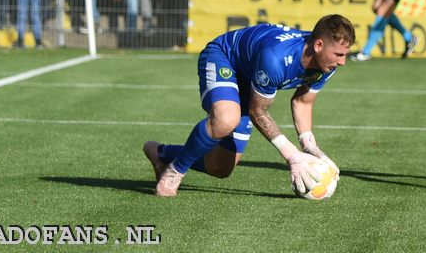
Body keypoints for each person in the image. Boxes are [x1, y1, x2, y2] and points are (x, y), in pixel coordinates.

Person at [143, 14, 356, 197]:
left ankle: (162, 154)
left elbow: (302, 101)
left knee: (221, 167)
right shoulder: (277, 59)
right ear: (318, 45)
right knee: (226, 119)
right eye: (339, 54)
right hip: (224, 57)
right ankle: (174, 172)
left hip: (250, 77)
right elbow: (258, 110)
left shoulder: (326, 64)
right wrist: (292, 155)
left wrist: (309, 146)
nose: (342, 62)